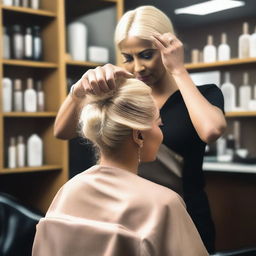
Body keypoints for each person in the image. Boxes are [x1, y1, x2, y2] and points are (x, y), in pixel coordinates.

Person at [54, 5, 227, 253]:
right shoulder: (125, 96)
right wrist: (77, 92)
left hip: (183, 215)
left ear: (168, 49)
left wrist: (178, 69)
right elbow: (62, 132)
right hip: (126, 216)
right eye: (128, 58)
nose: (137, 68)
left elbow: (211, 130)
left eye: (146, 55)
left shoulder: (203, 95)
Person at [32, 78, 208, 256]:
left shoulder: (67, 191)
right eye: (158, 124)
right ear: (138, 134)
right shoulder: (163, 205)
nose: (161, 132)